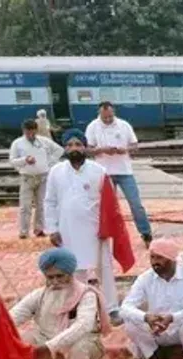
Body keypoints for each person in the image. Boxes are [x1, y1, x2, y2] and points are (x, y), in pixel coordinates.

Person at [9, 248, 108, 359]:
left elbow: (82, 326)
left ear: (70, 273)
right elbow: (13, 316)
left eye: (59, 276)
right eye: (50, 277)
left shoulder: (86, 295)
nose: (55, 281)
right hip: (46, 340)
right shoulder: (40, 295)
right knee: (20, 342)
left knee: (79, 347)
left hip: (83, 343)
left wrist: (50, 346)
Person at [45, 128, 119, 316]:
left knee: (104, 268)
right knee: (73, 267)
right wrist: (52, 228)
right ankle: (75, 305)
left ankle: (111, 308)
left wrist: (108, 227)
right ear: (64, 148)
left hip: (96, 228)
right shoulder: (56, 172)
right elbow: (50, 201)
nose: (74, 148)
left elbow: (110, 203)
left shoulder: (99, 171)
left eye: (78, 144)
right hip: (67, 229)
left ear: (85, 147)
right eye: (69, 145)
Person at [120, 239, 183, 359]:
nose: (154, 262)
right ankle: (153, 353)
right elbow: (125, 308)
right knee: (130, 324)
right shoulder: (145, 278)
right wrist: (146, 317)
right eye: (152, 257)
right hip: (155, 330)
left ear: (172, 259)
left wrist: (173, 318)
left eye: (160, 258)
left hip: (181, 330)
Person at [85, 101, 152, 247]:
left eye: (110, 117)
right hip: (103, 172)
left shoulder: (124, 125)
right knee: (105, 206)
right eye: (105, 118)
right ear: (100, 114)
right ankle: (105, 234)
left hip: (124, 171)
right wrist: (102, 150)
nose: (108, 120)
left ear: (113, 112)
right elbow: (88, 150)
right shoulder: (92, 126)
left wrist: (125, 149)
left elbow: (135, 146)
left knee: (135, 204)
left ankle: (146, 233)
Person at [10, 119, 65, 239]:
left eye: (32, 132)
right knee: (25, 206)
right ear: (24, 131)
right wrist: (24, 160)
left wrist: (49, 163)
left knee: (41, 205)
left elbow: (59, 150)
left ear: (36, 130)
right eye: (28, 132)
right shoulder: (17, 143)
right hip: (27, 177)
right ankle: (24, 231)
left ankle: (39, 229)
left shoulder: (44, 141)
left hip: (43, 176)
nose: (30, 135)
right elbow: (12, 160)